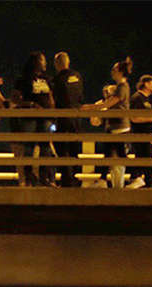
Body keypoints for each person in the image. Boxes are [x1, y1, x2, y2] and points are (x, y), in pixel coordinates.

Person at [0, 52, 55, 186]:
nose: (45, 63)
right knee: (29, 146)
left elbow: (51, 96)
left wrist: (52, 111)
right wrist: (31, 104)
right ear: (36, 62)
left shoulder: (47, 79)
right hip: (29, 117)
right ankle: (29, 176)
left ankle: (45, 177)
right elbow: (15, 99)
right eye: (43, 60)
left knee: (45, 147)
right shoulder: (23, 79)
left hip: (45, 117)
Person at [83, 57, 132, 188]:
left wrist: (89, 107)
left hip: (119, 127)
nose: (112, 72)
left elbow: (109, 104)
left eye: (114, 69)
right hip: (114, 126)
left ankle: (134, 177)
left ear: (120, 72)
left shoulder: (122, 87)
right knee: (109, 154)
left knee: (119, 156)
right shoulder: (120, 87)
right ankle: (104, 180)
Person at [51, 52, 84, 187]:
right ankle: (76, 178)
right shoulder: (77, 76)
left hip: (63, 116)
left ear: (57, 64)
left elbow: (54, 99)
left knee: (62, 147)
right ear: (68, 62)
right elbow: (81, 96)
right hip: (77, 117)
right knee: (75, 147)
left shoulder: (57, 79)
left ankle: (67, 179)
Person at [126, 75, 152, 189]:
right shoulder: (137, 98)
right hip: (139, 135)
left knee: (146, 161)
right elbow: (133, 118)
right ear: (147, 84)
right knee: (147, 161)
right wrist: (151, 119)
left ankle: (143, 182)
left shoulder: (146, 99)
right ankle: (140, 181)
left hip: (146, 136)